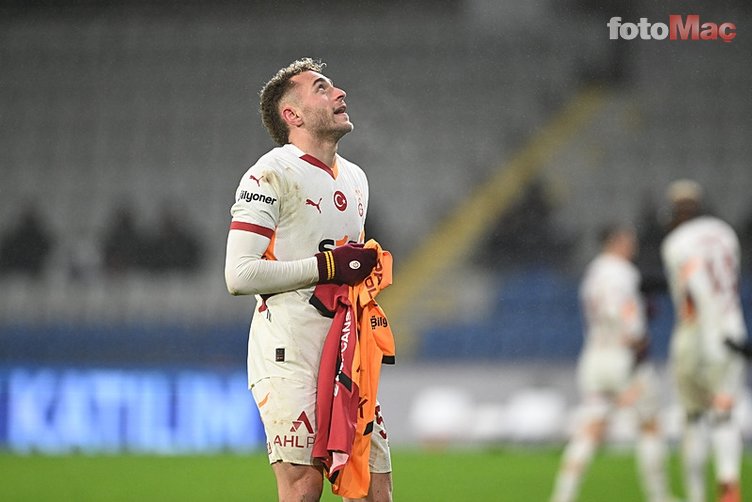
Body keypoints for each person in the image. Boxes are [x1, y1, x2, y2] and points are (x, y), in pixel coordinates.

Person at [224, 58, 392, 502]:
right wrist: (328, 268)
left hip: (345, 352)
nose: (340, 94)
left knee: (376, 486)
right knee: (303, 487)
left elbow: (346, 270)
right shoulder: (268, 174)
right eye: (322, 88)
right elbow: (239, 275)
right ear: (292, 115)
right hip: (288, 348)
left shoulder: (357, 178)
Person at [550, 224, 674, 502]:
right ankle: (659, 496)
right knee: (650, 424)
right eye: (629, 239)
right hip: (622, 358)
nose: (633, 244)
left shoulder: (592, 273)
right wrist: (638, 337)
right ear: (616, 241)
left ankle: (563, 495)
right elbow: (624, 314)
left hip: (594, 357)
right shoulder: (623, 272)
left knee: (590, 428)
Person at [660, 179, 747, 502]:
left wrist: (712, 334)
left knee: (694, 419)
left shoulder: (676, 242)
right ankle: (728, 488)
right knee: (725, 414)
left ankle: (696, 497)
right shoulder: (725, 233)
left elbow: (696, 285)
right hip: (733, 330)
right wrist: (727, 335)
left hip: (695, 334)